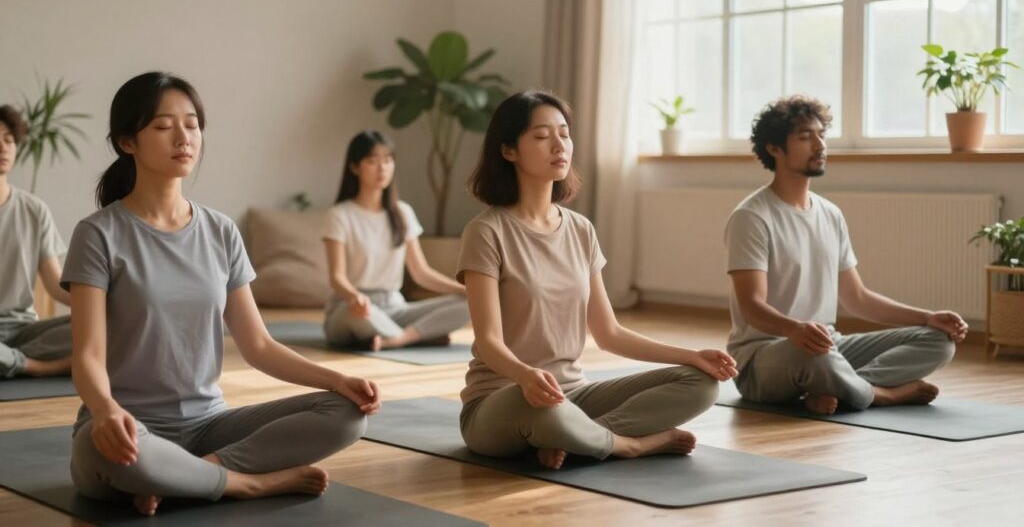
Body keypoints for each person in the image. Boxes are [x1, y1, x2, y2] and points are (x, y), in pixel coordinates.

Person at [62, 72, 379, 517]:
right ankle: (248, 484)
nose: (183, 137)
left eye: (191, 125)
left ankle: (197, 476)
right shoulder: (98, 235)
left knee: (347, 414)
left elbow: (259, 346)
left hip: (210, 425)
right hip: (130, 430)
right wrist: (105, 410)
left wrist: (336, 380)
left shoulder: (220, 231)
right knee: (109, 456)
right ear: (126, 142)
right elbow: (88, 356)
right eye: (162, 126)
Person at [457, 90, 735, 470]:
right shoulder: (486, 232)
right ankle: (629, 445)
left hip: (573, 396)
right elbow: (488, 342)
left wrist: (691, 356)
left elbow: (609, 333)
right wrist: (525, 375)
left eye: (565, 133)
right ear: (509, 151)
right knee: (537, 407)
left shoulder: (581, 230)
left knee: (701, 385)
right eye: (541, 136)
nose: (559, 145)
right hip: (504, 399)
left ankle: (576, 439)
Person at [726, 95, 964, 415]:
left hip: (828, 347)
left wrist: (927, 317)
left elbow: (858, 298)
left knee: (938, 341)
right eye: (805, 137)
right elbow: (752, 308)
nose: (820, 145)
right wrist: (795, 330)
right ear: (774, 148)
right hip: (765, 357)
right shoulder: (752, 216)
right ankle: (880, 394)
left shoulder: (830, 214)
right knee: (816, 356)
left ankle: (838, 387)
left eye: (822, 134)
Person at [322, 130, 469, 351]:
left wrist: (465, 290)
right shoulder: (339, 215)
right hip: (354, 308)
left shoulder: (403, 212)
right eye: (372, 161)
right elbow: (337, 277)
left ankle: (400, 339)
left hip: (395, 307)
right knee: (355, 315)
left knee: (471, 304)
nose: (382, 168)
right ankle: (421, 335)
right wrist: (355, 297)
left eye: (388, 160)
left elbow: (421, 273)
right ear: (354, 167)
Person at [0, 104, 73, 378]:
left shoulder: (34, 209)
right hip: (29, 351)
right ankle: (41, 368)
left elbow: (55, 284)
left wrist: (104, 304)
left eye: (8, 140)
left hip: (24, 332)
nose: (3, 147)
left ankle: (11, 362)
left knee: (108, 325)